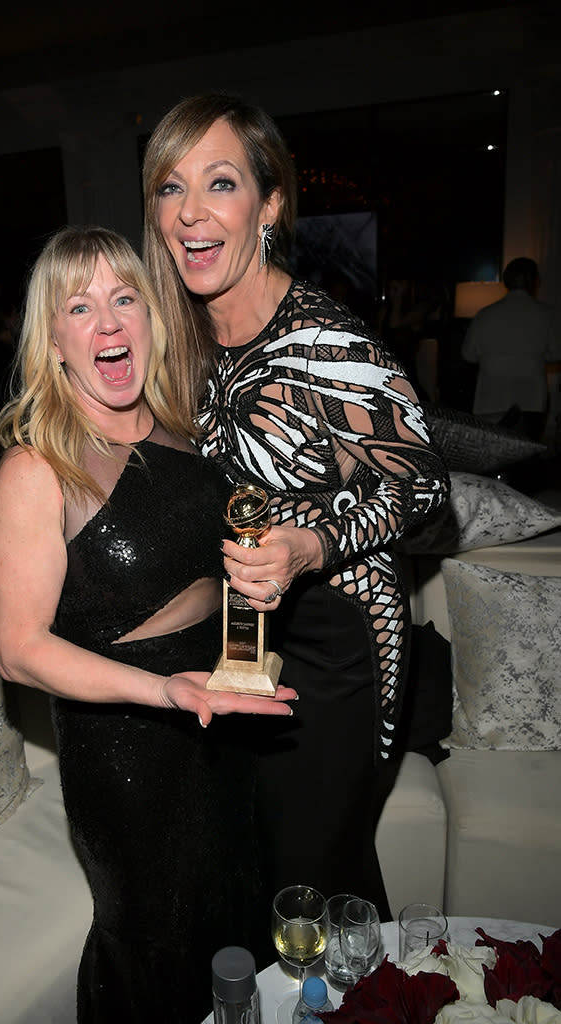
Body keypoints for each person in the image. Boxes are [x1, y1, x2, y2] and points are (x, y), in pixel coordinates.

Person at [141, 92, 450, 925]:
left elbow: (425, 487)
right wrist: (41, 477)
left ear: (271, 203)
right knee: (252, 873)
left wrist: (312, 544)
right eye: (170, 188)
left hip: (334, 645)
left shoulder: (327, 342)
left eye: (220, 184)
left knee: (310, 878)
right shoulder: (181, 338)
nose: (192, 213)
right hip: (232, 636)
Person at [0, 225, 297, 1023]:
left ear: (152, 320)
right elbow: (19, 653)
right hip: (126, 753)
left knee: (237, 916)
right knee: (155, 945)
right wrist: (165, 691)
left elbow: (217, 573)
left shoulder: (187, 435)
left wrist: (255, 636)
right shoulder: (35, 469)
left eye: (126, 299)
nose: (110, 323)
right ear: (52, 340)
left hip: (219, 724)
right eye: (80, 307)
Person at [462, 257, 561, 440]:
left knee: (491, 450)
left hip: (490, 395)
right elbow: (556, 353)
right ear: (534, 281)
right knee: (527, 449)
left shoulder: (485, 314)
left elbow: (468, 354)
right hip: (532, 395)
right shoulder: (548, 314)